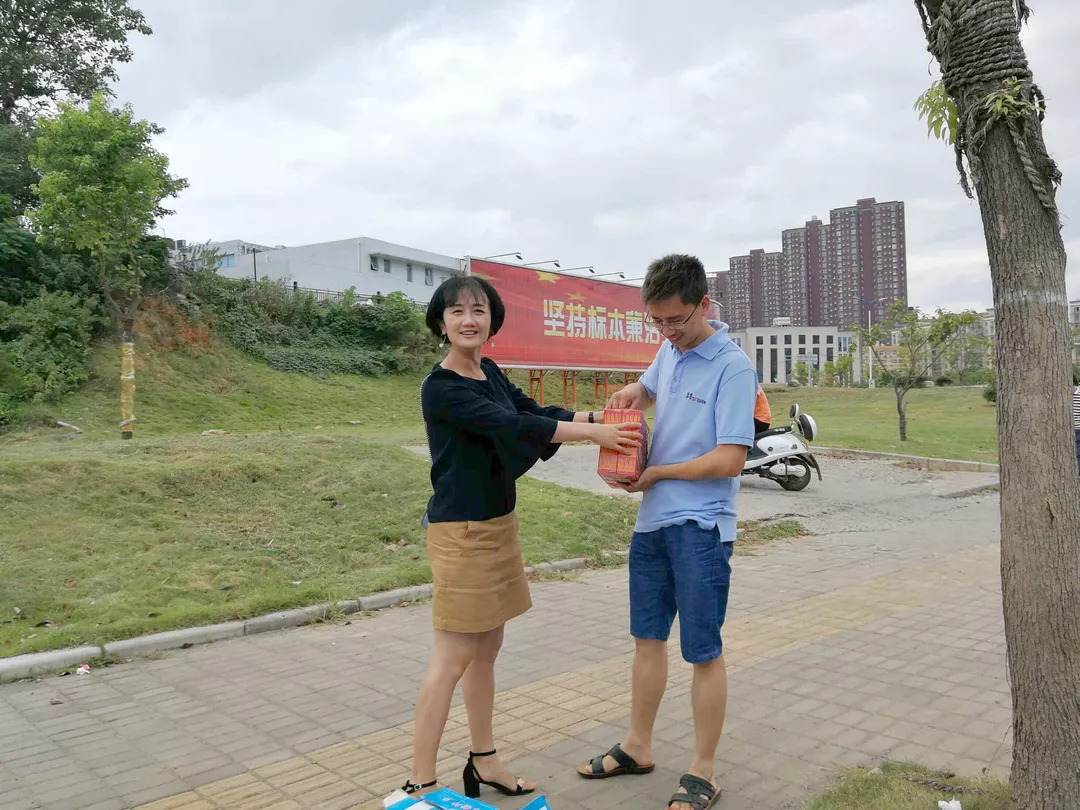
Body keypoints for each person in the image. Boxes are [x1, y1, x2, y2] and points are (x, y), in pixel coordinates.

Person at [403, 275, 642, 799]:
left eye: (479, 310)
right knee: (452, 657)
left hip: (496, 525)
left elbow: (531, 412)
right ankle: (419, 784)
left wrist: (600, 417)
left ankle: (484, 759)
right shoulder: (441, 387)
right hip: (461, 532)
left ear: (493, 318)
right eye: (456, 311)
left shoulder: (487, 370)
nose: (469, 320)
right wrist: (594, 433)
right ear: (441, 323)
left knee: (486, 649)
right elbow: (510, 427)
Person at [576, 254, 756, 810]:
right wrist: (636, 391)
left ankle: (703, 771)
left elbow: (730, 459)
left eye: (676, 320)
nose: (667, 332)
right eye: (657, 322)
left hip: (701, 526)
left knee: (702, 650)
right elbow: (653, 388)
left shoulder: (733, 367)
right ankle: (638, 746)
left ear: (704, 305)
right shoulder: (669, 350)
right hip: (653, 522)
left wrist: (658, 474)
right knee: (647, 639)